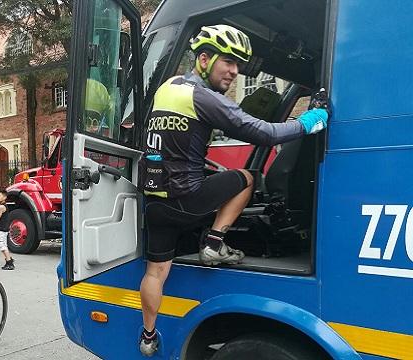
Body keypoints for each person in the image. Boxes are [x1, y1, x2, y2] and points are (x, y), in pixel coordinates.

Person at [137, 24, 328, 356]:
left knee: (156, 272)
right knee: (248, 177)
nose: (235, 72)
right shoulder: (203, 96)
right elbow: (264, 133)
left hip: (157, 201)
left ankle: (148, 336)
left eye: (239, 64)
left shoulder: (167, 89)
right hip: (189, 200)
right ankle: (214, 243)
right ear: (205, 58)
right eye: (229, 62)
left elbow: (176, 147)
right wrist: (309, 121)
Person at [0, 189, 15, 270]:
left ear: (5, 197)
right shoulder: (1, 205)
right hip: (3, 228)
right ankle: (9, 258)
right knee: (3, 245)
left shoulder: (2, 207)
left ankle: (9, 262)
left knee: (2, 245)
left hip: (2, 228)